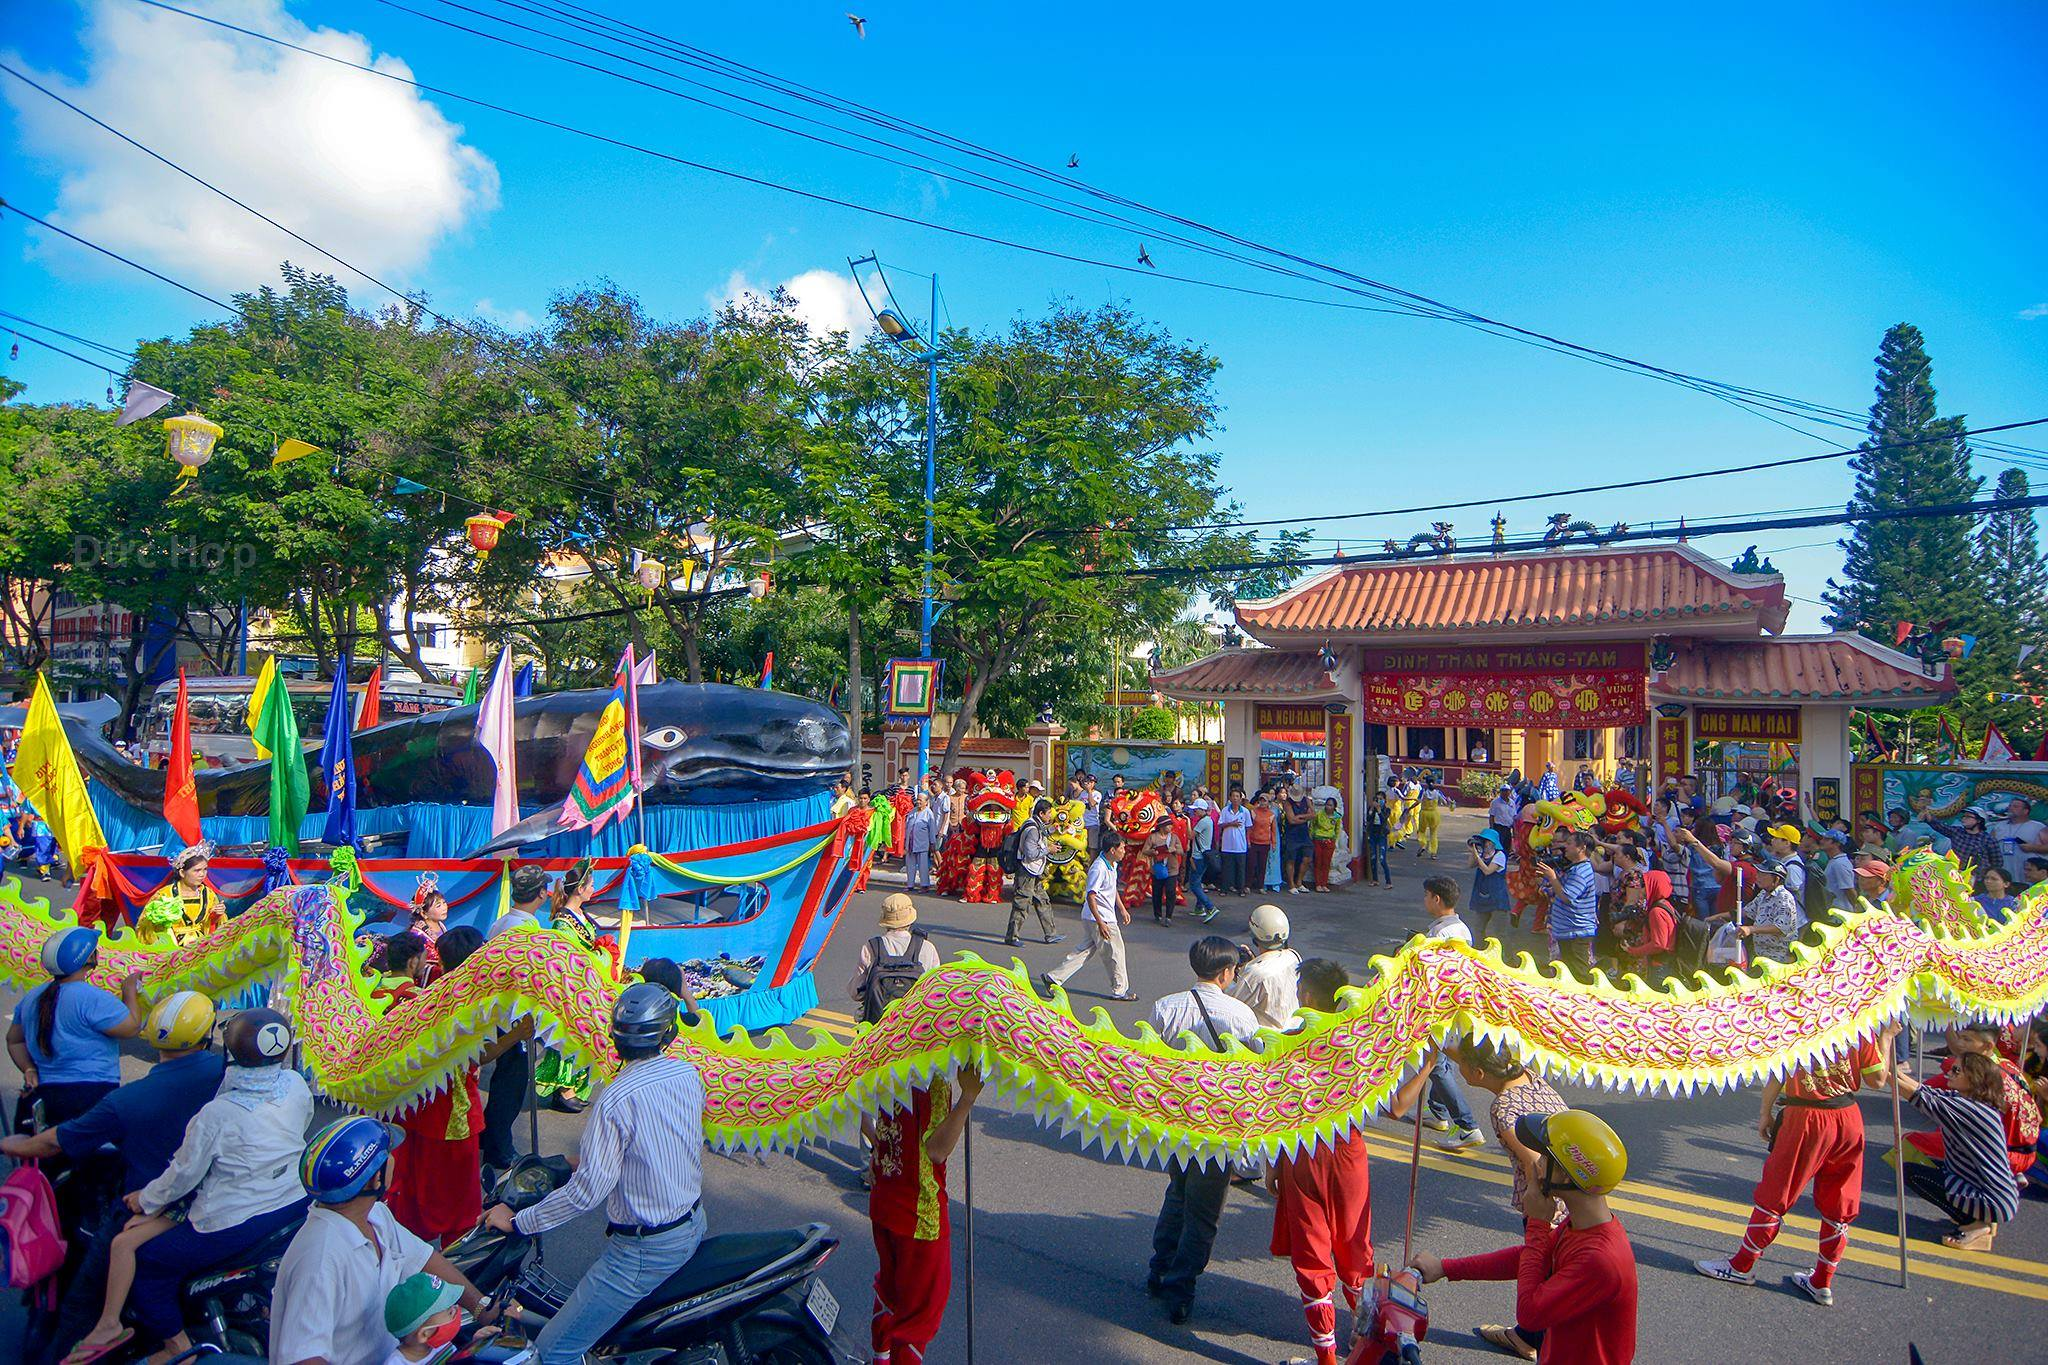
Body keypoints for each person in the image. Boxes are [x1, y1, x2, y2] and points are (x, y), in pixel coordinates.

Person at [483, 982, 706, 1362]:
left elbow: (587, 1193)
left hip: (643, 1251)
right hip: (691, 1223)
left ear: (616, 1038)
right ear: (669, 1033)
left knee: (554, 1352)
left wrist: (520, 1220)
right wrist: (584, 1162)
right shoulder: (687, 1075)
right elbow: (662, 1146)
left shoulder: (616, 1098)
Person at [1, 991, 225, 1365]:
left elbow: (56, 1142)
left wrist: (17, 1145)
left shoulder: (127, 1101)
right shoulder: (226, 1076)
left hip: (152, 1202)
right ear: (207, 1034)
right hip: (221, 1200)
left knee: (82, 1300)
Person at [82, 1007, 311, 1365]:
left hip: (231, 1219)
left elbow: (183, 1175)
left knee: (150, 1264)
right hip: (292, 1201)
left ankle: (177, 1347)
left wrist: (145, 1199)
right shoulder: (296, 1085)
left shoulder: (218, 1113)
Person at [1410, 1109, 1637, 1365]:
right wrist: (1445, 1268)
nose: (1536, 1164)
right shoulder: (1582, 1225)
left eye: (1544, 1157)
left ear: (1565, 1175)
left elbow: (1530, 1314)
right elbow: (1529, 1259)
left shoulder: (1601, 1259)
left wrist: (1538, 1224)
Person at [274, 1116, 493, 1365]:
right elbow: (303, 1357)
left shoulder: (375, 1215)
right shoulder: (320, 1258)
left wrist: (481, 1308)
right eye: (388, 1154)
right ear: (375, 1180)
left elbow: (424, 1259)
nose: (393, 1159)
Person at [1694, 1030, 1884, 1307]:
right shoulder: (1859, 1024)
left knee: (1776, 1193)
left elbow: (1777, 1072)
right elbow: (1877, 1080)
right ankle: (1822, 1280)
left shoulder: (1799, 1021)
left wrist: (1764, 1113)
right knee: (1840, 1200)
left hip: (1806, 1118)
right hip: (1848, 1118)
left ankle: (1741, 1266)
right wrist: (1888, 1037)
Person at [1147, 937, 1262, 1324]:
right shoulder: (1241, 1016)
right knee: (1203, 1213)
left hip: (1177, 1121)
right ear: (1227, 973)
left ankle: (1159, 1268)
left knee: (1177, 1194)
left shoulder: (1165, 1008)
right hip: (1219, 1126)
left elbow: (1149, 1062)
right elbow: (1252, 1070)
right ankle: (1181, 1288)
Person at [1437, 1039, 1569, 1360]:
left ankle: (1526, 1336)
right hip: (1572, 1192)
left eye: (1462, 1067)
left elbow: (1535, 1163)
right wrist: (1435, 1040)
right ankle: (1538, 1332)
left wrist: (1538, 1211)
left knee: (1536, 1268)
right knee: (1553, 1268)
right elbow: (1474, 1055)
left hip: (1546, 1201)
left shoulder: (1503, 1108)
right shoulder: (1528, 1075)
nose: (1459, 1069)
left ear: (1479, 1073)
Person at [1269, 959, 1372, 1365]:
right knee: (1355, 1251)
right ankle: (1365, 1347)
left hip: (1303, 1153)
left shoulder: (1291, 1040)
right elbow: (1396, 1105)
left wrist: (1275, 1164)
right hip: (1349, 1152)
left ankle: (1327, 1359)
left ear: (1309, 997)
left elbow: (1275, 1109)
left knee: (1313, 1258)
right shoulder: (1361, 1040)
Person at [867, 1063, 983, 1365]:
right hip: (919, 1217)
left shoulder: (885, 1057)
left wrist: (880, 1152)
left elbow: (864, 1119)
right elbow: (936, 1150)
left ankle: (881, 1357)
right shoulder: (934, 1076)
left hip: (883, 1204)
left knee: (890, 1296)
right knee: (918, 1320)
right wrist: (967, 1098)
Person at [389, 928, 491, 1249]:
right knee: (459, 1208)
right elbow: (468, 1058)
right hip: (451, 1114)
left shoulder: (424, 1000)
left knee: (413, 1192)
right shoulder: (460, 1007)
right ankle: (452, 1280)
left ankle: (407, 1259)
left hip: (412, 1109)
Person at [1885, 1045, 2023, 1251]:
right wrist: (1888, 1068)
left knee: (1912, 1173)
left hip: (1993, 1199)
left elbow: (1918, 1097)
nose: (1949, 1072)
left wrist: (1883, 1074)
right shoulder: (1971, 1101)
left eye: (1956, 1070)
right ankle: (1979, 1217)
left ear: (1975, 1078)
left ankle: (1974, 1223)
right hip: (2000, 1195)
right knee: (1917, 1161)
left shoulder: (1968, 1109)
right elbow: (1924, 1090)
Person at [7, 926, 146, 1127]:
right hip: (90, 1094)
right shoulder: (93, 998)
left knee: (49, 1155)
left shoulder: (32, 998)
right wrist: (130, 990)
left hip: (44, 1093)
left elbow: (14, 1040)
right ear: (88, 958)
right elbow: (131, 1027)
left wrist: (29, 1069)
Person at [1043, 829, 1134, 1001]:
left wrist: (1121, 909)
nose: (1124, 851)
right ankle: (1120, 990)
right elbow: (1091, 895)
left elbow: (1112, 889)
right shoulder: (1098, 868)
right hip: (1100, 918)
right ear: (1112, 850)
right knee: (1115, 953)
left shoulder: (1112, 865)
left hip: (1100, 916)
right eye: (1122, 848)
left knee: (1083, 951)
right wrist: (1101, 922)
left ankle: (1054, 978)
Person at [851, 893, 943, 1023]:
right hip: (914, 1026)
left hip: (878, 1025)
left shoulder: (872, 947)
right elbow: (935, 990)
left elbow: (856, 991)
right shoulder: (927, 947)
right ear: (910, 919)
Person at [137, 842, 227, 947]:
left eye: (205, 869)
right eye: (197, 870)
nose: (202, 874)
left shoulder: (208, 894)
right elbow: (145, 925)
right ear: (182, 873)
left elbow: (214, 926)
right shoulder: (165, 894)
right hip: (171, 947)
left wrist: (216, 915)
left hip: (201, 946)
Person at [1535, 835, 1600, 974]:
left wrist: (1552, 877)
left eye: (1569, 843)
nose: (1565, 846)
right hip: (1568, 930)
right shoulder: (1574, 867)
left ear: (1581, 848)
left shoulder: (1580, 872)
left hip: (1576, 931)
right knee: (1568, 972)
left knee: (1578, 974)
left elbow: (1566, 896)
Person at [1005, 799, 1064, 947]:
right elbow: (1031, 853)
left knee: (1043, 900)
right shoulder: (1032, 829)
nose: (1051, 815)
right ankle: (1012, 937)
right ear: (1041, 813)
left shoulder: (1037, 824)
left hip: (1035, 870)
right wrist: (1048, 850)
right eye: (1049, 813)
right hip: (1027, 870)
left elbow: (1040, 837)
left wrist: (1051, 831)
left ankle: (1051, 934)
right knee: (1022, 903)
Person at [1231, 905, 1302, 1029]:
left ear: (1255, 937)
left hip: (1268, 1040)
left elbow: (1231, 1006)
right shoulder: (1293, 956)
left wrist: (1238, 972)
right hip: (1295, 1030)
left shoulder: (1255, 973)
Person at [379, 1273, 467, 1365]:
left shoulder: (443, 1346)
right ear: (425, 1334)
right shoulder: (396, 1363)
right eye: (450, 1312)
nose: (457, 1309)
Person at [1992, 796, 2048, 882]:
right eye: (2010, 806)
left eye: (2015, 806)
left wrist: (2033, 848)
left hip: (2028, 877)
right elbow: (1990, 846)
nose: (2010, 808)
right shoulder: (1999, 826)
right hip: (2004, 875)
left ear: (2025, 811)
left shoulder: (2038, 827)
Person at [1468, 830, 1510, 941]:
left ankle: (1508, 957)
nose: (1484, 843)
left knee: (1500, 933)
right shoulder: (1481, 855)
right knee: (1478, 929)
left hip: (1497, 899)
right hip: (1482, 897)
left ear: (1493, 843)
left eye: (1486, 841)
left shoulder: (1500, 855)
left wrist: (1477, 856)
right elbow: (1470, 865)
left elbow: (1487, 870)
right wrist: (1474, 852)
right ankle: (1480, 952)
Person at [1186, 795, 1219, 920]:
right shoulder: (1208, 820)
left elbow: (1190, 835)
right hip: (1204, 855)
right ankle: (1199, 908)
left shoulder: (1203, 821)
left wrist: (1188, 821)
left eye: (1196, 810)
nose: (1194, 812)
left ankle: (1210, 907)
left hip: (1198, 856)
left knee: (1194, 885)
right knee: (1198, 881)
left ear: (1202, 810)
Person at [903, 790, 941, 893]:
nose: (918, 802)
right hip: (910, 843)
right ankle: (910, 884)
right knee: (910, 865)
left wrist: (932, 843)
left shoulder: (929, 813)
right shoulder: (912, 811)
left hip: (922, 844)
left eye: (920, 800)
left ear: (926, 802)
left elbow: (932, 829)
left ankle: (925, 885)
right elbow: (907, 827)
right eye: (917, 800)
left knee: (923, 866)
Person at [1280, 785, 1315, 893]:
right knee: (1291, 860)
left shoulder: (1306, 800)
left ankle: (1299, 881)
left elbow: (1313, 814)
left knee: (1307, 858)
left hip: (1304, 834)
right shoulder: (1288, 803)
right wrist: (1306, 817)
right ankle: (1291, 884)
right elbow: (1292, 820)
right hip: (1292, 834)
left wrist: (1301, 817)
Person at [1217, 789, 1252, 895]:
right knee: (1226, 868)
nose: (1235, 798)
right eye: (1234, 796)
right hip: (1227, 845)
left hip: (1240, 845)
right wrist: (1231, 823)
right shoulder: (1225, 810)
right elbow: (1220, 824)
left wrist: (1248, 841)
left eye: (1238, 796)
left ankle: (1241, 889)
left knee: (1241, 869)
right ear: (1230, 798)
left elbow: (1248, 827)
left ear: (1241, 799)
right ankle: (1224, 889)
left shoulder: (1245, 811)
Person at [1308, 798, 1341, 893]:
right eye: (1327, 804)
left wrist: (1333, 839)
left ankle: (1324, 884)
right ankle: (1318, 884)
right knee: (1318, 861)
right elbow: (1312, 826)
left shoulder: (1337, 817)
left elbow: (1337, 829)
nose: (1328, 807)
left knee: (1326, 863)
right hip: (1318, 840)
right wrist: (1312, 836)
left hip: (1329, 841)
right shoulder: (1319, 814)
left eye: (1330, 805)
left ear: (1334, 807)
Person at [1364, 792, 1392, 888]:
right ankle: (1375, 879)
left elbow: (1383, 820)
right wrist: (1372, 808)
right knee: (1373, 857)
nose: (1379, 801)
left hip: (1381, 835)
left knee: (1382, 859)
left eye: (1381, 799)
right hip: (1372, 834)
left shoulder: (1387, 810)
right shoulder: (1372, 809)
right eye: (1377, 799)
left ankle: (1388, 881)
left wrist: (1379, 810)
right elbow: (1368, 818)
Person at [1416, 775, 1446, 860]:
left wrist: (1409, 809)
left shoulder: (1423, 791)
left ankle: (1423, 844)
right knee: (1433, 833)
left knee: (1421, 831)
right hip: (1434, 813)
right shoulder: (1438, 792)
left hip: (1424, 813)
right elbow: (1445, 802)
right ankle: (1433, 853)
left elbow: (1418, 801)